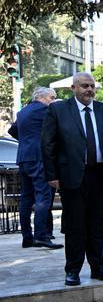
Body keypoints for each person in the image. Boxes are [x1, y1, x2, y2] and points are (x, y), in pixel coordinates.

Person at [41, 72, 103, 285]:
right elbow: (48, 144)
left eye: (92, 86)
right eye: (84, 86)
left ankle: (98, 267)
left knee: (98, 225)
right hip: (72, 177)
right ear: (73, 88)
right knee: (75, 226)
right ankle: (73, 270)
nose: (89, 90)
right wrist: (52, 175)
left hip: (100, 176)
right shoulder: (58, 110)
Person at [9, 86, 61, 249]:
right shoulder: (46, 111)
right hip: (39, 158)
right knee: (43, 197)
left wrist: (27, 141)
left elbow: (12, 130)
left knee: (26, 198)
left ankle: (27, 237)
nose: (53, 100)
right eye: (52, 97)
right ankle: (41, 236)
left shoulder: (23, 112)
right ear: (42, 97)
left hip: (23, 157)